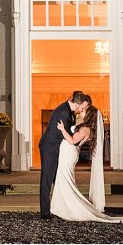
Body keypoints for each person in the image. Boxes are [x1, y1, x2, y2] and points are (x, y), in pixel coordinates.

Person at [52, 96, 123, 223]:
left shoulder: (85, 129)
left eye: (85, 110)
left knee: (66, 180)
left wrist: (62, 129)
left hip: (69, 153)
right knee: (65, 180)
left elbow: (72, 141)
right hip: (68, 153)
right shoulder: (83, 125)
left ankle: (72, 208)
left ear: (89, 115)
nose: (83, 110)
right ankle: (62, 206)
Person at [38, 91, 86, 219]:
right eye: (82, 107)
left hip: (56, 148)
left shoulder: (69, 111)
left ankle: (61, 207)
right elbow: (65, 135)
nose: (82, 110)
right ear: (76, 104)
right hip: (50, 147)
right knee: (47, 178)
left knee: (57, 179)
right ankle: (45, 212)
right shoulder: (63, 112)